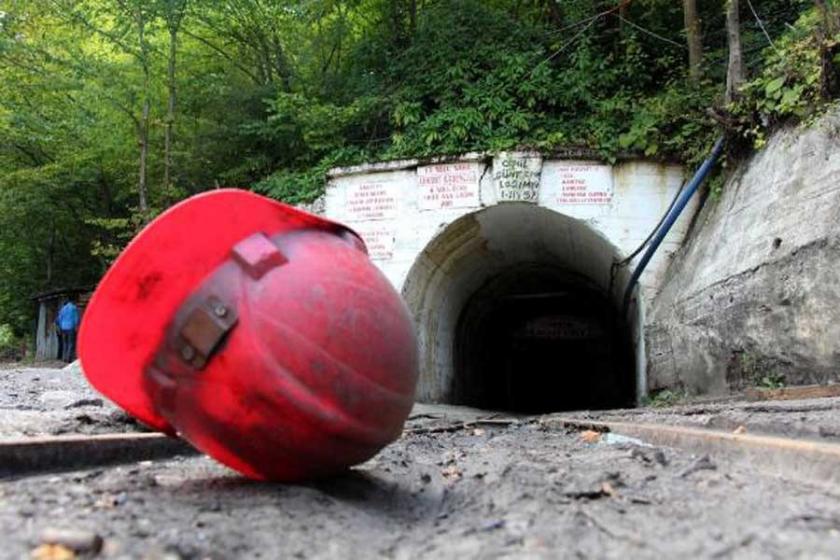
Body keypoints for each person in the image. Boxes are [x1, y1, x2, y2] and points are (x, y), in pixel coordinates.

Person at [55, 298, 80, 362]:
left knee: (65, 343)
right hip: (70, 327)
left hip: (63, 328)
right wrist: (76, 326)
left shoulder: (62, 309)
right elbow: (76, 318)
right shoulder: (74, 308)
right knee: (70, 343)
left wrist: (60, 326)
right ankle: (69, 358)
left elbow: (59, 319)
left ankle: (64, 358)